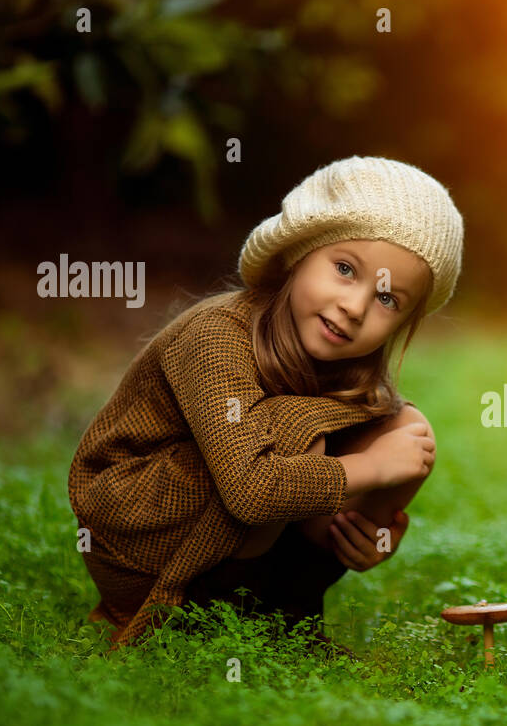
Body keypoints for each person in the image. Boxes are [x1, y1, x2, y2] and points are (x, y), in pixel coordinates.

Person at [67, 155, 464, 651]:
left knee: (405, 429)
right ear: (299, 253)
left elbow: (374, 456)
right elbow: (252, 490)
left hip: (241, 528)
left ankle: (283, 613)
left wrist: (371, 536)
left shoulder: (344, 364)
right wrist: (370, 469)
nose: (355, 306)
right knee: (302, 434)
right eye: (344, 269)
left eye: (388, 299)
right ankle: (204, 617)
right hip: (138, 532)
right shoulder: (215, 334)